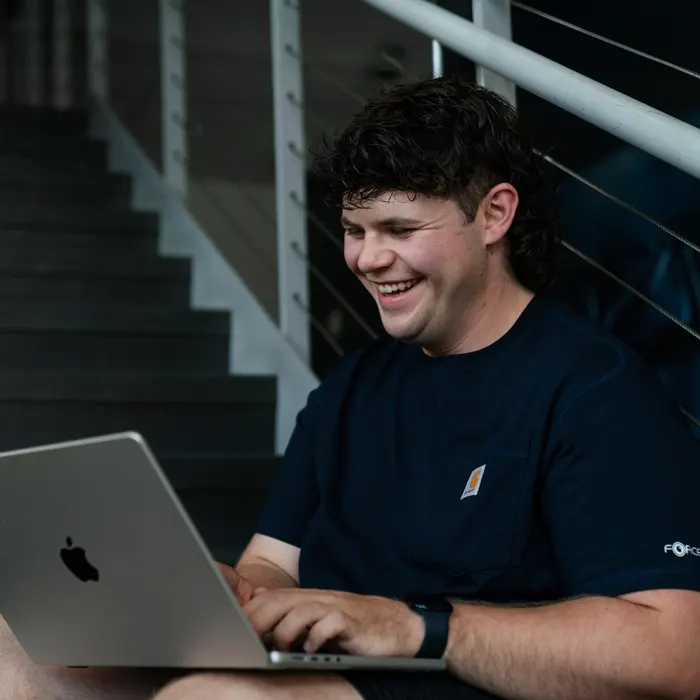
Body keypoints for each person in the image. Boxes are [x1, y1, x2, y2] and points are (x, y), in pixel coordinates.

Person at [3, 75, 700, 700]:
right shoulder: (350, 389)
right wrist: (234, 596)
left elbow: (672, 654)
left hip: (465, 681)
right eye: (354, 230)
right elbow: (271, 564)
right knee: (14, 649)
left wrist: (415, 627)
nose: (368, 259)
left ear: (494, 215)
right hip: (340, 669)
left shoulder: (597, 391)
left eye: (400, 228)